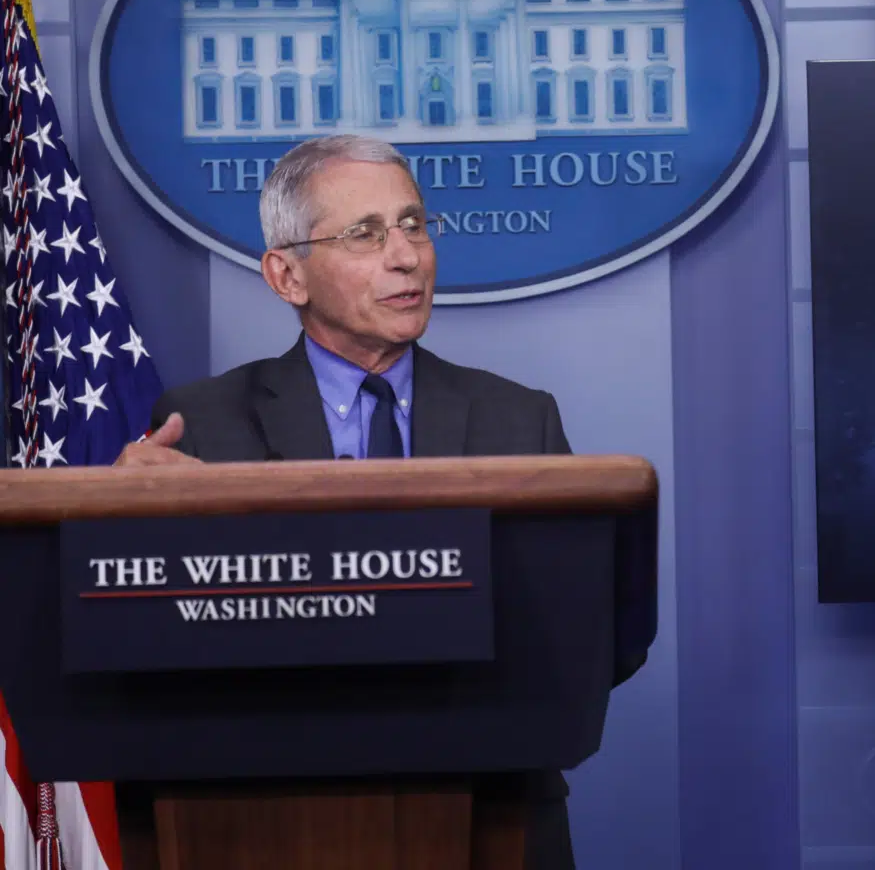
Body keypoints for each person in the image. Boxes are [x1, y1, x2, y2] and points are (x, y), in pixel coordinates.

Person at [118, 133, 576, 870]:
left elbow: (590, 635)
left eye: (414, 225)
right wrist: (116, 531)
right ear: (287, 275)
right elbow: (157, 642)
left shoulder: (521, 421)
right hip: (268, 819)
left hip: (487, 809)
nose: (406, 256)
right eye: (365, 234)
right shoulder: (203, 425)